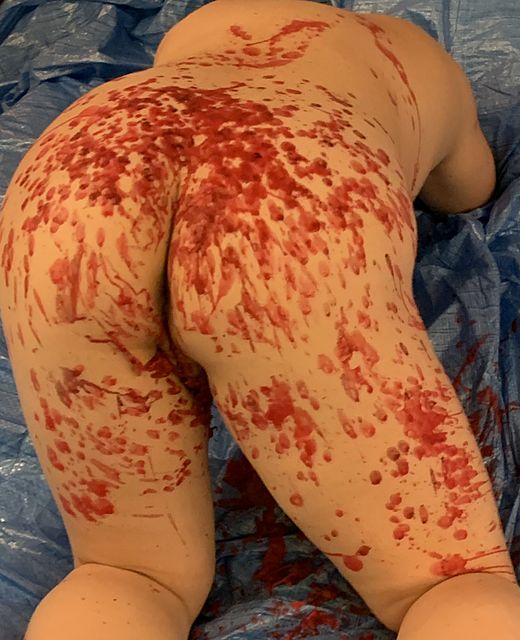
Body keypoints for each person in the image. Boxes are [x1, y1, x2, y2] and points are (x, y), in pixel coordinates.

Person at [0, 0, 519, 638]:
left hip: (87, 162)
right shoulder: (421, 58)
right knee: (448, 584)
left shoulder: (201, 24)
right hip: (297, 180)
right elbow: (469, 191)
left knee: (126, 573)